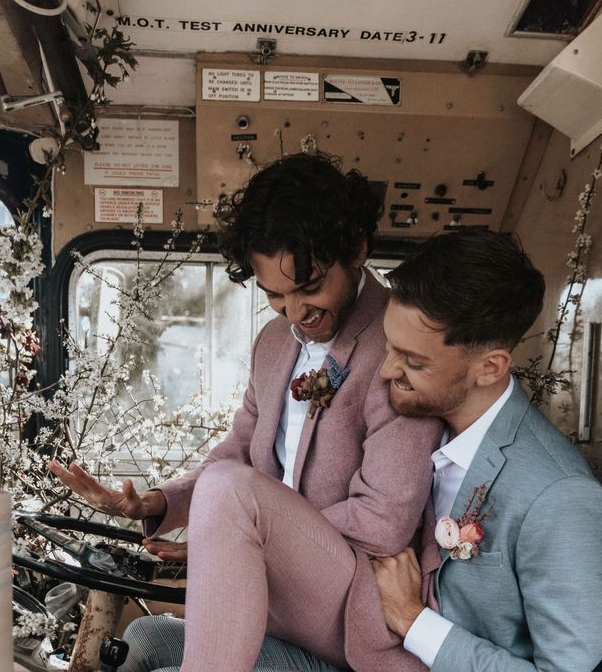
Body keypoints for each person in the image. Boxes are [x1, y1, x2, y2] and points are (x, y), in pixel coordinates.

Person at [49, 152, 443, 671]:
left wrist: (249, 541)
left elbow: (383, 521)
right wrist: (154, 503)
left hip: (355, 604)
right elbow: (238, 448)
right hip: (291, 594)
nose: (296, 313)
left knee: (230, 491)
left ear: (357, 249)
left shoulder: (397, 345)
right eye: (275, 296)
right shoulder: (276, 342)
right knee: (144, 638)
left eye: (310, 287)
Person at [367, 227, 602, 670]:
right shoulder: (411, 419)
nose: (387, 370)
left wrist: (411, 620)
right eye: (389, 347)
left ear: (490, 368)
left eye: (414, 361)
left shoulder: (560, 496)